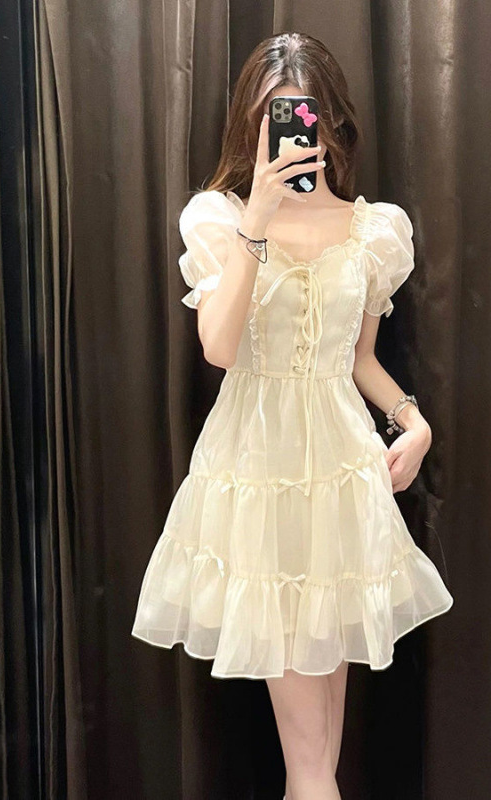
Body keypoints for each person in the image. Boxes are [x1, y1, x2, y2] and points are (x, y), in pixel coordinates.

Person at [131, 32, 453, 800]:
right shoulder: (218, 219)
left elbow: (357, 358)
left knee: (317, 762)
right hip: (259, 477)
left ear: (330, 121)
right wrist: (259, 222)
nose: (288, 134)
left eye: (302, 116)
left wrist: (414, 423)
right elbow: (218, 347)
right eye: (271, 118)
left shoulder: (375, 231)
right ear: (250, 124)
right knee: (311, 767)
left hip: (341, 477)